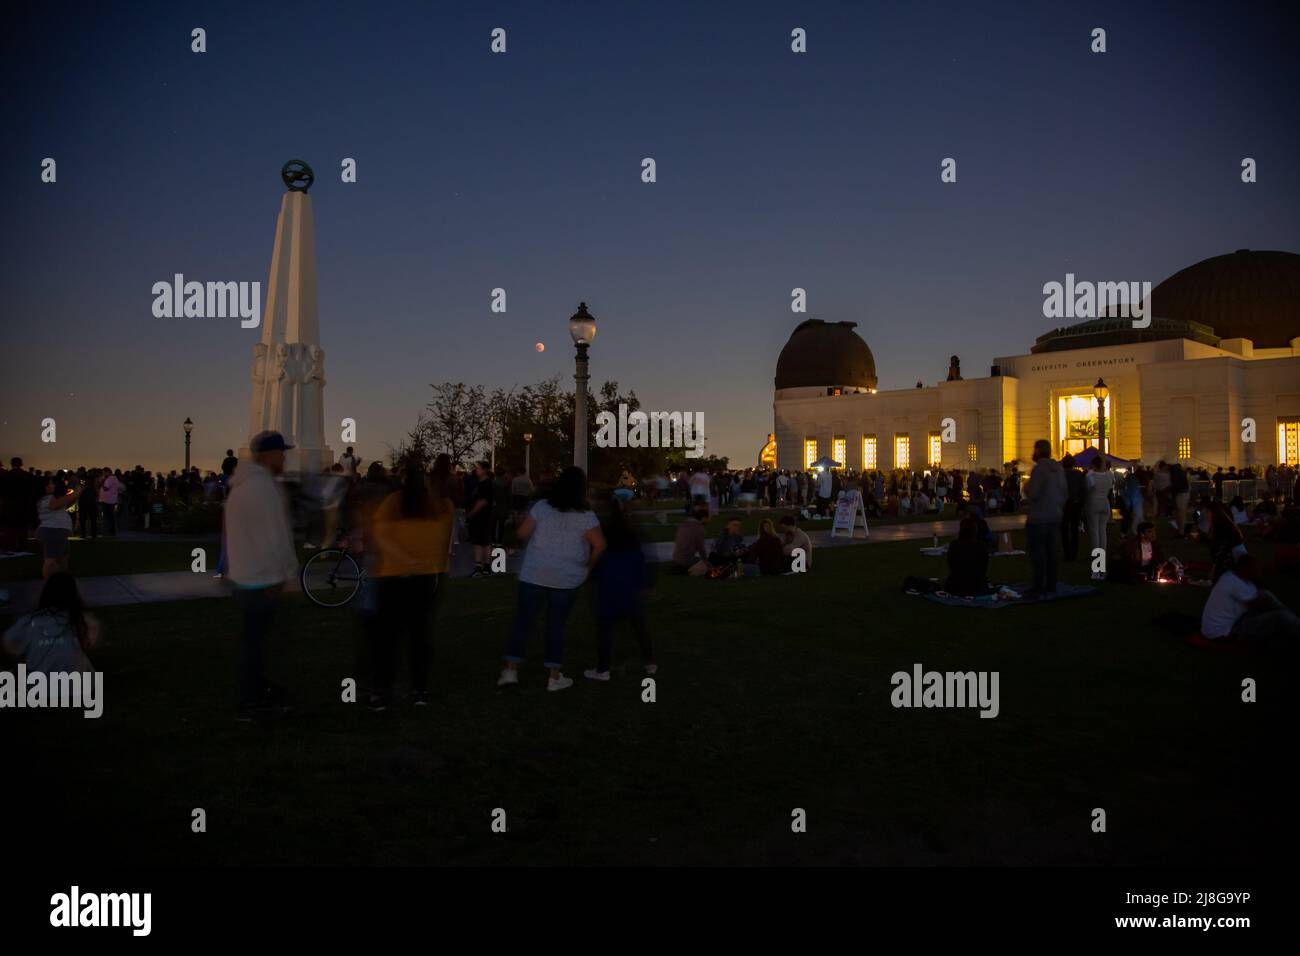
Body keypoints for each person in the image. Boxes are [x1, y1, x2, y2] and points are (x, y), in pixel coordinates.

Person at [499, 466, 605, 691]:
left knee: (523, 623)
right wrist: (588, 566)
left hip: (534, 574)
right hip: (567, 578)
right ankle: (554, 676)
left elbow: (521, 535)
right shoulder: (586, 516)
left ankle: (510, 670)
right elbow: (600, 545)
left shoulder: (541, 508)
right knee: (556, 625)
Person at [368, 457, 454, 709]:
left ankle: (382, 692)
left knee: (388, 638)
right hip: (427, 578)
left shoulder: (393, 503)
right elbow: (447, 541)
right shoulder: (441, 506)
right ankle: (419, 690)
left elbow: (380, 535)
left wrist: (404, 558)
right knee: (420, 635)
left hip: (394, 576)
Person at [225, 431, 300, 721]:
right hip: (262, 580)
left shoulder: (242, 485)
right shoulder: (262, 488)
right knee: (256, 645)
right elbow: (276, 537)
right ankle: (251, 701)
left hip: (246, 576)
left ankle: (258, 689)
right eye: (281, 452)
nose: (284, 457)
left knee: (254, 642)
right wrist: (284, 574)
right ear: (268, 455)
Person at [584, 498, 656, 681]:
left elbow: (596, 558)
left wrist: (590, 574)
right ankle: (649, 662)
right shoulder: (631, 532)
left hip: (609, 582)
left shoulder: (599, 533)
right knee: (639, 625)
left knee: (605, 629)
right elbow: (642, 559)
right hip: (631, 582)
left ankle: (603, 669)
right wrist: (646, 582)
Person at [2, 573, 100, 673]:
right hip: (73, 684)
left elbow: (10, 642)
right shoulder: (83, 621)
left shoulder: (30, 621)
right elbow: (88, 642)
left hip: (40, 684)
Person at [1200, 555, 1300, 644]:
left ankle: (1293, 619)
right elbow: (1262, 604)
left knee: (1269, 599)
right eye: (1254, 569)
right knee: (1280, 615)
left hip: (1226, 624)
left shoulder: (1230, 575)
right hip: (1224, 632)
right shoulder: (1235, 583)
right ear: (1244, 569)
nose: (1256, 571)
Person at [1023, 439, 1066, 597]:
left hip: (1039, 517)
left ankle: (1038, 584)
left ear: (1038, 451)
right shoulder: (1059, 469)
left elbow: (1033, 493)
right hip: (1055, 516)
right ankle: (1051, 583)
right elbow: (1064, 492)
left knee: (1038, 553)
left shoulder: (1039, 469)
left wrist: (1026, 487)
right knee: (1052, 552)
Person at [36, 474, 79, 579]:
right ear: (45, 487)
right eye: (51, 483)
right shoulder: (46, 500)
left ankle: (61, 581)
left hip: (57, 532)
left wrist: (75, 495)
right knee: (51, 561)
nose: (53, 485)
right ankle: (50, 585)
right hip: (53, 531)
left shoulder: (50, 498)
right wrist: (77, 491)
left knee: (62, 559)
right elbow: (57, 504)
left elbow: (65, 504)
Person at [944, 516, 990, 597]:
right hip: (977, 586)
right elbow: (984, 567)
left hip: (956, 586)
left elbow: (951, 564)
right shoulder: (981, 546)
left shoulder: (954, 545)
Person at [0, 456, 37, 552]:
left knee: (10, 528)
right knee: (23, 528)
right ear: (21, 464)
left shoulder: (6, 475)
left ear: (11, 464)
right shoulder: (28, 476)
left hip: (9, 504)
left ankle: (10, 546)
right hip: (24, 505)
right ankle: (22, 546)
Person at [466, 460, 495, 576]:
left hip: (482, 517)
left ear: (484, 470)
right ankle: (484, 567)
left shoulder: (487, 484)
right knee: (483, 541)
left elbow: (483, 501)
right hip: (482, 517)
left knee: (480, 542)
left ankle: (481, 567)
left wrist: (472, 513)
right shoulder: (479, 483)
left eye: (478, 468)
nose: (476, 470)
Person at [1083, 455, 1114, 558]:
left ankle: (1096, 553)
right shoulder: (1109, 475)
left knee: (1094, 530)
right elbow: (1110, 487)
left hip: (1093, 503)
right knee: (1102, 529)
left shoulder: (1090, 475)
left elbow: (1088, 488)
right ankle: (1103, 552)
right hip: (1105, 503)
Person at [671, 505, 710, 574]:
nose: (709, 520)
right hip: (686, 560)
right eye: (708, 518)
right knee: (708, 567)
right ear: (704, 518)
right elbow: (701, 548)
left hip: (676, 559)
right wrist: (705, 561)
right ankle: (687, 571)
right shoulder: (699, 527)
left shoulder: (684, 523)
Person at [1060, 454, 1085, 560]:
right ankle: (1074, 553)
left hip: (1063, 505)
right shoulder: (1078, 474)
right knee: (1074, 529)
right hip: (1075, 504)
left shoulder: (1060, 474)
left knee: (1064, 529)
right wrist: (1081, 501)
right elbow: (1083, 489)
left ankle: (1067, 553)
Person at [98, 466, 122, 537]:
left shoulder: (110, 478)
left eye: (104, 473)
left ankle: (109, 531)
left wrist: (102, 482)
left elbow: (105, 488)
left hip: (108, 501)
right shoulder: (114, 478)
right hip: (111, 500)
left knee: (108, 517)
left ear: (107, 472)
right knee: (110, 516)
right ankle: (111, 531)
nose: (103, 474)